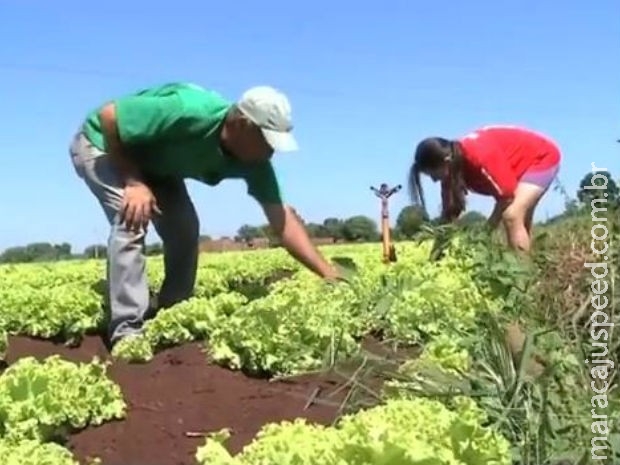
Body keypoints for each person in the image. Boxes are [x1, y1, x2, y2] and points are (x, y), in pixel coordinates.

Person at [69, 82, 343, 348]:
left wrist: (328, 275)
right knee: (131, 216)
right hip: (105, 144)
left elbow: (283, 223)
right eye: (267, 141)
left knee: (185, 228)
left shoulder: (256, 162)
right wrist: (133, 181)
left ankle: (173, 311)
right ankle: (127, 330)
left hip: (157, 163)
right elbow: (110, 115)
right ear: (242, 123)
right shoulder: (189, 110)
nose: (270, 151)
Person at [408, 125, 561, 252]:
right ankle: (526, 267)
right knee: (518, 220)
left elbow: (506, 196)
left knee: (512, 215)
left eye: (433, 174)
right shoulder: (451, 171)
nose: (435, 180)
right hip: (517, 167)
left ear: (445, 161)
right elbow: (448, 217)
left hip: (541, 157)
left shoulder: (478, 154)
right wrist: (436, 254)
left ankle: (521, 279)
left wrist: (486, 231)